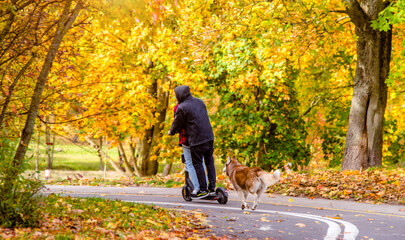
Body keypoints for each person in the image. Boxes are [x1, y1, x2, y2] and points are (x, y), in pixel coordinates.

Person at [169, 85, 216, 197]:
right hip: (209, 136)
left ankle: (203, 190)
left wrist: (171, 132)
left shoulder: (182, 107)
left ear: (180, 95)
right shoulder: (200, 102)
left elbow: (177, 124)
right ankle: (212, 188)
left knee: (197, 163)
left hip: (196, 139)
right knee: (209, 161)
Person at [173, 103, 206, 195]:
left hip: (186, 139)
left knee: (189, 163)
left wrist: (172, 131)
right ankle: (204, 186)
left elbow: (177, 124)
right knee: (200, 162)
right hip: (200, 138)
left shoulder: (178, 107)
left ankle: (197, 187)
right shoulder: (196, 104)